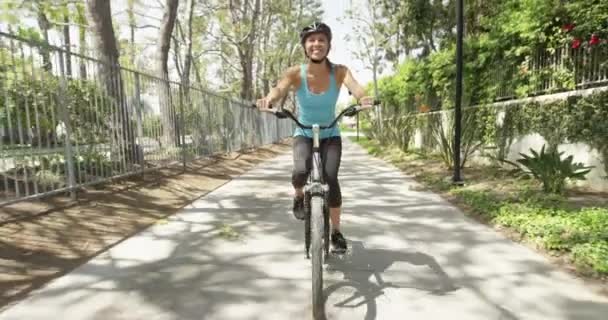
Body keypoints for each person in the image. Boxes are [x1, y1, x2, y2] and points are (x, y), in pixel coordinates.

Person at [255, 22, 375, 252]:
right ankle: (299, 195)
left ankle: (337, 231)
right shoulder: (295, 73)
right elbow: (279, 89)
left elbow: (356, 87)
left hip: (330, 133)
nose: (316, 44)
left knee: (330, 178)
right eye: (311, 40)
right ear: (305, 46)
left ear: (328, 45)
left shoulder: (340, 71)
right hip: (304, 132)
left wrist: (363, 98)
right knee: (300, 171)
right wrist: (268, 99)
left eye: (321, 40)